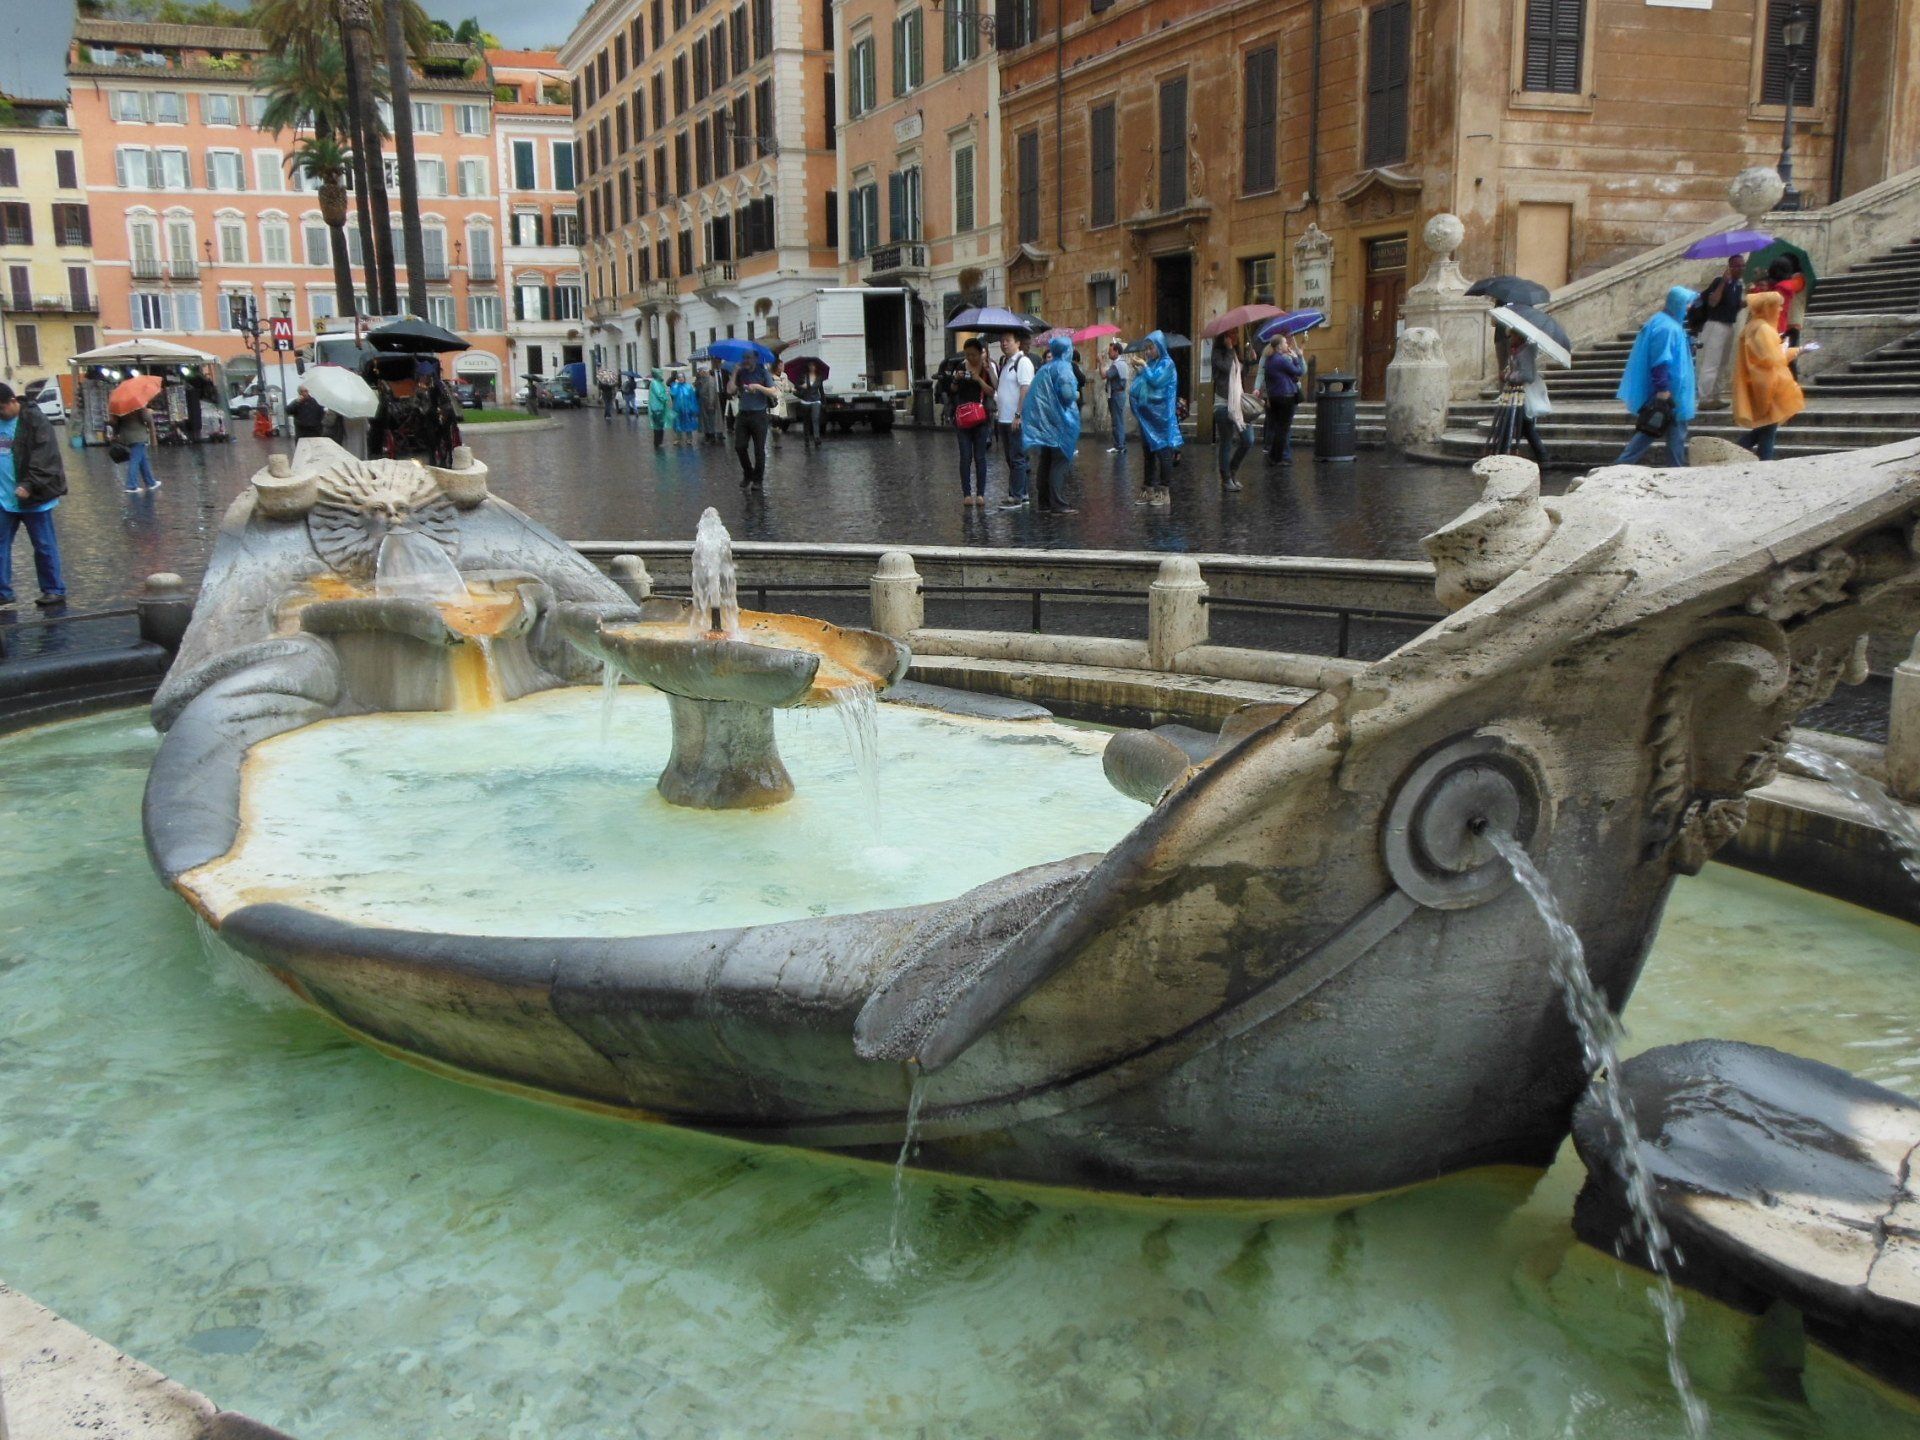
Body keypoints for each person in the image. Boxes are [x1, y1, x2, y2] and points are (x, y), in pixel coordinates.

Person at [0, 382, 68, 611]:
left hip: (34, 497)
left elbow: (45, 456)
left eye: (1, 409)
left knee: (43, 545)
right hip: (3, 498)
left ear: (12, 402)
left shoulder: (34, 420)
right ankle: (3, 593)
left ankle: (53, 589)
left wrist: (29, 484)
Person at [1613, 286, 1698, 469]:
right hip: (1669, 392)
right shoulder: (1666, 327)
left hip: (1673, 391)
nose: (1689, 307)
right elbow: (1660, 360)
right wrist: (1663, 389)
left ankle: (1676, 469)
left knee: (1662, 431)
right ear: (1678, 303)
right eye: (1686, 303)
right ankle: (1620, 466)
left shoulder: (1668, 324)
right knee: (1652, 430)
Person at [1730, 290, 1805, 460]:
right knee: (1768, 430)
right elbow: (1771, 358)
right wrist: (1788, 348)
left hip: (1763, 382)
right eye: (1777, 306)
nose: (1780, 310)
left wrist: (1796, 350)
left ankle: (1734, 454)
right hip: (1767, 384)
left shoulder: (1755, 326)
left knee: (1765, 428)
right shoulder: (1762, 329)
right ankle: (1762, 462)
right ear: (1767, 308)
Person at [1015, 335, 1082, 514]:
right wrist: (1077, 394)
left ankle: (1044, 502)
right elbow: (1068, 395)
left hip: (1047, 424)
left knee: (1046, 460)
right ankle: (1058, 503)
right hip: (1061, 423)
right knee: (1059, 461)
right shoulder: (1064, 369)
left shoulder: (1046, 368)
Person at [1129, 331, 1183, 507]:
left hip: (1162, 418)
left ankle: (1164, 491)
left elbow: (1156, 382)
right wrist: (1140, 370)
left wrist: (1144, 366)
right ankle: (1148, 489)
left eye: (1151, 347)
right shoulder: (1152, 363)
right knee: (1148, 453)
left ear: (1159, 346)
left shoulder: (1168, 364)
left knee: (1163, 453)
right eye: (1147, 348)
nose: (1148, 351)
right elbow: (1142, 383)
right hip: (1148, 417)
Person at [1691, 255, 1745, 407]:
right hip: (1715, 325)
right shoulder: (1719, 282)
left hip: (1729, 325)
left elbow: (1734, 305)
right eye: (1737, 266)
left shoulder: (1738, 286)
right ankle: (1705, 398)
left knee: (1722, 363)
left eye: (1742, 266)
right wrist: (1722, 281)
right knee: (1711, 362)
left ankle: (1715, 396)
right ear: (1730, 267)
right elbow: (1713, 302)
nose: (1741, 269)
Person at [950, 339, 996, 506]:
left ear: (980, 352)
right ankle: (967, 494)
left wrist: (978, 378)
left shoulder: (986, 369)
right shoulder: (961, 367)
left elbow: (992, 391)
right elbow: (952, 390)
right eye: (967, 354)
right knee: (965, 456)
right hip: (963, 420)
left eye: (973, 354)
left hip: (981, 419)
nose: (970, 357)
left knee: (980, 457)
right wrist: (956, 378)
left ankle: (981, 494)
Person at [994, 331, 1035, 505]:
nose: (1004, 344)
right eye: (1002, 341)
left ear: (1017, 343)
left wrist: (1018, 415)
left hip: (1015, 419)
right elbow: (1000, 387)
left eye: (1008, 341)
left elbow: (1025, 389)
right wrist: (989, 368)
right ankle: (1022, 493)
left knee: (1017, 458)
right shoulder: (1006, 363)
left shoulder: (1022, 362)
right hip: (1004, 418)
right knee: (1011, 458)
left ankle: (1016, 496)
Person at [1499, 335, 1550, 467]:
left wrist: (1508, 376)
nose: (1510, 338)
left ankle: (1503, 455)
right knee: (1526, 428)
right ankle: (1543, 458)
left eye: (1512, 336)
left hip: (1522, 396)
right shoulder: (1519, 351)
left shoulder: (1524, 353)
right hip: (1518, 395)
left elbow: (1527, 375)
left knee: (1513, 425)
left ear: (1519, 337)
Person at [1211, 335, 1252, 492]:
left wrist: (1248, 361)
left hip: (1238, 403)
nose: (1233, 337)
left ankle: (1232, 470)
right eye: (1229, 334)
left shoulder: (1235, 354)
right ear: (1223, 338)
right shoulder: (1217, 354)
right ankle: (1226, 478)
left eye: (1234, 334)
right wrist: (1229, 349)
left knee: (1248, 439)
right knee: (1226, 442)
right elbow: (1226, 368)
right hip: (1223, 404)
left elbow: (1241, 376)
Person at [732, 351, 779, 487]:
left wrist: (758, 387)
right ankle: (748, 474)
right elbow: (730, 390)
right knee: (739, 447)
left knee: (759, 450)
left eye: (748, 358)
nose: (745, 360)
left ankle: (757, 480)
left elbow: (773, 391)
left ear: (755, 359)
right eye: (744, 357)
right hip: (743, 414)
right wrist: (735, 372)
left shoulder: (763, 372)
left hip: (759, 415)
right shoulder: (741, 372)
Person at [1260, 335, 1305, 464]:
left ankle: (1274, 456)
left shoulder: (1270, 359)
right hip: (1286, 396)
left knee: (1278, 428)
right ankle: (1276, 458)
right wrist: (1296, 358)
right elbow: (1299, 371)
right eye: (1285, 343)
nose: (1287, 345)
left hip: (1274, 397)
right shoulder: (1281, 360)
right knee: (1283, 429)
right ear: (1279, 346)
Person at [1751, 257, 1807, 349]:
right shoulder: (1782, 286)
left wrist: (1755, 289)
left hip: (1781, 326)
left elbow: (1763, 300)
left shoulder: (1786, 285)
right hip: (1781, 325)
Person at [111, 403, 159, 492]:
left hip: (126, 436)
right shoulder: (137, 404)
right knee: (135, 460)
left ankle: (151, 482)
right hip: (138, 436)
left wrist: (115, 435)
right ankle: (131, 485)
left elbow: (115, 423)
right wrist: (148, 412)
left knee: (143, 459)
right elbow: (146, 418)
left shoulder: (119, 407)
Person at [1103, 342, 1131, 452]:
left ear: (1116, 351)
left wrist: (1100, 363)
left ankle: (1120, 446)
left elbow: (1104, 375)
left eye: (1110, 351)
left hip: (1116, 394)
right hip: (1119, 394)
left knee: (1117, 421)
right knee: (1118, 420)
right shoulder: (1121, 363)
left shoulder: (1117, 365)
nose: (1108, 353)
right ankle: (1119, 444)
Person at [793, 363, 826, 451]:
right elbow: (796, 386)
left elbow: (821, 390)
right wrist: (802, 386)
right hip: (805, 401)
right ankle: (806, 439)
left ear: (816, 367)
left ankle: (816, 438)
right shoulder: (803, 376)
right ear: (808, 367)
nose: (812, 367)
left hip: (816, 400)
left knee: (815, 419)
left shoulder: (819, 377)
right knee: (806, 421)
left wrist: (823, 402)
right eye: (810, 365)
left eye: (813, 365)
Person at [670, 372, 700, 446]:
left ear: (684, 378)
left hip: (687, 409)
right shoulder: (675, 387)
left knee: (688, 423)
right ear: (677, 379)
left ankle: (689, 439)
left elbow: (693, 398)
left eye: (682, 377)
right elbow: (673, 394)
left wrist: (693, 408)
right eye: (679, 377)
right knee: (678, 424)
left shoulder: (689, 387)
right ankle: (678, 439)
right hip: (678, 409)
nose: (681, 379)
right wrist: (675, 385)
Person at [696, 364, 723, 443]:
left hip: (709, 404)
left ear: (704, 372)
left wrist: (711, 404)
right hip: (704, 403)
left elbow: (711, 393)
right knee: (705, 420)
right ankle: (707, 435)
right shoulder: (702, 380)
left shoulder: (710, 380)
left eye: (700, 372)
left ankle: (711, 436)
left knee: (711, 420)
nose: (699, 373)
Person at [646, 370, 670, 448]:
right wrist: (666, 398)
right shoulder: (655, 383)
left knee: (659, 425)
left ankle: (658, 442)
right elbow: (660, 394)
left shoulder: (657, 383)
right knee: (658, 425)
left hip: (658, 407)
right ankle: (658, 442)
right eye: (660, 374)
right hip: (657, 407)